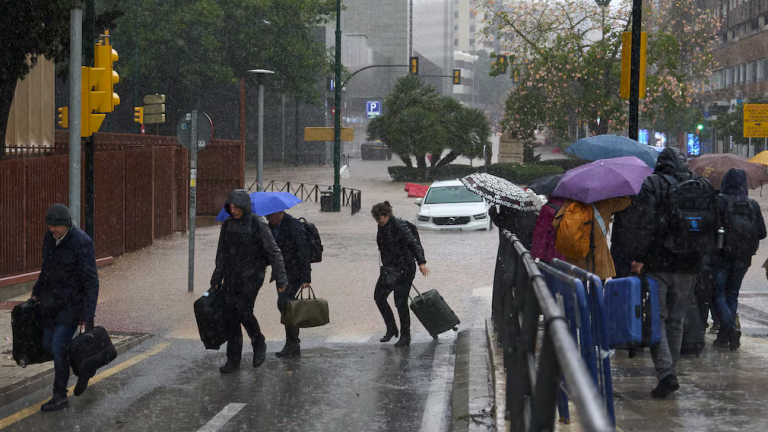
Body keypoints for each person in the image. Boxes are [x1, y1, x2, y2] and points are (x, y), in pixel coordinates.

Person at [627, 147, 718, 398]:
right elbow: (714, 225)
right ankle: (671, 371)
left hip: (659, 264)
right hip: (691, 264)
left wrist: (639, 258)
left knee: (657, 320)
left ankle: (667, 374)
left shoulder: (653, 184)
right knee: (676, 321)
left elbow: (644, 224)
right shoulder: (701, 185)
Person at [211, 190, 288, 373]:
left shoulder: (257, 224)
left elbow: (274, 252)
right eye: (231, 206)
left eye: (236, 207)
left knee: (244, 310)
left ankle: (258, 341)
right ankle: (233, 360)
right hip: (231, 277)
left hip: (252, 277)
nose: (233, 210)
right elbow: (221, 253)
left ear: (244, 207)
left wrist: (281, 278)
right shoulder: (227, 224)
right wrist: (216, 277)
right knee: (231, 317)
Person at [32, 204, 99, 411]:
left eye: (56, 227)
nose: (52, 230)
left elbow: (91, 282)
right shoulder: (49, 239)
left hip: (72, 305)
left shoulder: (81, 242)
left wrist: (86, 316)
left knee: (59, 345)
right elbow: (47, 266)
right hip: (52, 304)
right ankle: (84, 367)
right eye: (50, 226)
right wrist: (37, 290)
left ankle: (60, 394)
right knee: (49, 345)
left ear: (66, 224)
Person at [710, 168, 766, 350]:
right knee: (732, 295)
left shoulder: (719, 201)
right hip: (743, 258)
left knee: (718, 294)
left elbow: (709, 228)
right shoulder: (752, 204)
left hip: (721, 256)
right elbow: (762, 233)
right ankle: (724, 337)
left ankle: (730, 328)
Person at [372, 201, 430, 347]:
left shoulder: (399, 225)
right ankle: (391, 328)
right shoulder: (381, 227)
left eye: (380, 218)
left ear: (387, 215)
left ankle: (405, 336)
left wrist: (421, 263)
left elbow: (413, 243)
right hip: (390, 269)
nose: (378, 222)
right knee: (379, 297)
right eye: (376, 219)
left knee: (400, 301)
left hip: (405, 269)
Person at [265, 211, 312, 358]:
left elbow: (303, 252)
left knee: (286, 306)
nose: (268, 218)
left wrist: (306, 278)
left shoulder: (294, 226)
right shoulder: (270, 227)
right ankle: (292, 343)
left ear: (279, 213)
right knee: (286, 307)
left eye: (270, 216)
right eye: (267, 216)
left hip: (294, 274)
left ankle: (293, 343)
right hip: (281, 274)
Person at [552, 196, 631, 281]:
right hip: (598, 258)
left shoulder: (571, 202)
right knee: (597, 290)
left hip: (576, 255)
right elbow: (626, 202)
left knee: (579, 290)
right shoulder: (607, 202)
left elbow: (556, 223)